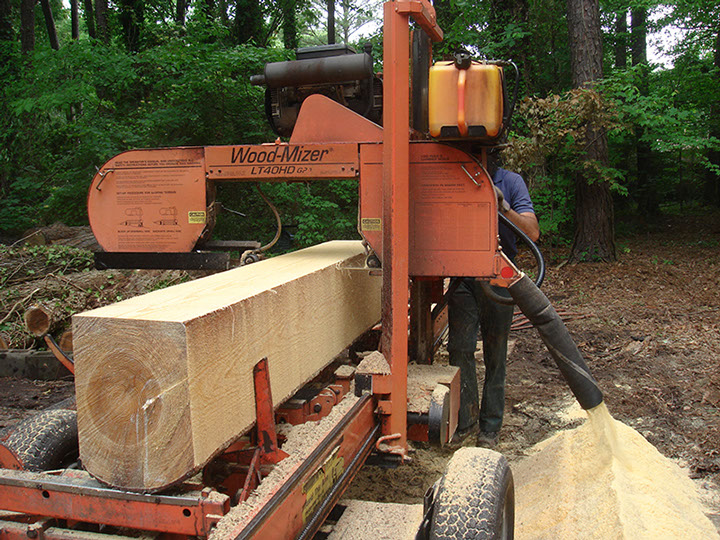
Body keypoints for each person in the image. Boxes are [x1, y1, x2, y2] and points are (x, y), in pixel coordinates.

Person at [448, 159, 539, 447]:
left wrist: (503, 207)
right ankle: (465, 421)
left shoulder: (510, 182)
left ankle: (489, 429)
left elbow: (533, 232)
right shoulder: (454, 175)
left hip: (500, 277)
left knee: (495, 355)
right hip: (463, 276)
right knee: (459, 349)